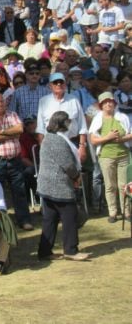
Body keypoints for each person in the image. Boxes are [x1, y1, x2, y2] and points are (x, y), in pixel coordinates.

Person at [37, 111, 91, 261]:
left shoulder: (51, 138)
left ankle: (45, 251)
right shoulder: (57, 140)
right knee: (69, 217)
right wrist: (76, 177)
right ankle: (71, 250)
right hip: (58, 185)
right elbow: (67, 164)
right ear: (62, 123)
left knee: (50, 218)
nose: (70, 124)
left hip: (48, 185)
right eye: (68, 121)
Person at [0, 92, 32, 230]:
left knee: (19, 191)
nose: (1, 104)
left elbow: (20, 129)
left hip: (15, 160)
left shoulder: (13, 115)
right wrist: (11, 133)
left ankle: (24, 220)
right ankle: (0, 223)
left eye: (2, 101)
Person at [89, 92, 132, 223]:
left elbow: (130, 134)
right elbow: (93, 140)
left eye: (111, 101)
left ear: (114, 103)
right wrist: (108, 137)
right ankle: (112, 212)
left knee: (124, 185)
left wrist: (121, 138)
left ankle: (127, 212)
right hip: (106, 156)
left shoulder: (123, 117)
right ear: (101, 105)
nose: (109, 104)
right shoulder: (97, 119)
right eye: (105, 102)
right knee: (110, 185)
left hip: (123, 154)